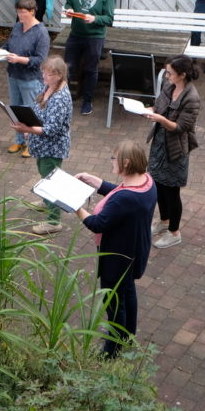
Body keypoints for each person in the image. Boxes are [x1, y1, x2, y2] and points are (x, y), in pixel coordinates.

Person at [74, 140, 156, 357]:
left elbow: (97, 223)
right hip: (134, 250)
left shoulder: (126, 198)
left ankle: (112, 349)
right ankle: (128, 335)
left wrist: (75, 206)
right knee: (127, 292)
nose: (112, 162)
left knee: (114, 302)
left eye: (114, 159)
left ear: (126, 163)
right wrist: (96, 182)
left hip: (116, 257)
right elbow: (117, 195)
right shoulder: (146, 182)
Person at [143, 55, 201, 249]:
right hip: (159, 145)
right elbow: (158, 106)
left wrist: (159, 119)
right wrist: (147, 110)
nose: (166, 76)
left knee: (172, 191)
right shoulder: (168, 87)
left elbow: (180, 127)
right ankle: (164, 221)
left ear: (182, 75)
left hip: (176, 149)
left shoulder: (192, 98)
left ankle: (174, 232)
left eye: (170, 73)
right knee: (159, 185)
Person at [12, 56, 72, 235]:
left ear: (59, 75)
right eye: (43, 72)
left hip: (52, 147)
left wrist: (28, 128)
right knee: (45, 174)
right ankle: (47, 201)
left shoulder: (60, 97)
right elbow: (38, 110)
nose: (44, 76)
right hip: (42, 145)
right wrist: (28, 128)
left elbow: (52, 129)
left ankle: (54, 221)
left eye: (48, 73)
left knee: (51, 181)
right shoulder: (50, 87)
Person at [62, 0, 115, 116]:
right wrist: (69, 9)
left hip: (95, 36)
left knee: (91, 69)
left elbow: (109, 18)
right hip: (76, 33)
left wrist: (94, 19)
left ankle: (87, 101)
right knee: (67, 67)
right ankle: (64, 99)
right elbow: (68, 3)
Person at [2, 0, 50, 157]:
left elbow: (40, 60)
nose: (20, 15)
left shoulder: (41, 32)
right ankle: (19, 140)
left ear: (33, 11)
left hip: (30, 79)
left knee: (30, 111)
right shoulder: (17, 27)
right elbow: (8, 45)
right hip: (13, 75)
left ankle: (33, 143)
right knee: (15, 109)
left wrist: (19, 59)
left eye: (23, 12)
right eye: (18, 12)